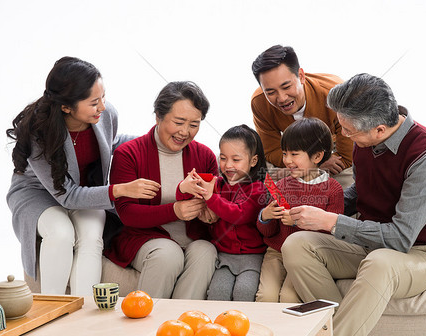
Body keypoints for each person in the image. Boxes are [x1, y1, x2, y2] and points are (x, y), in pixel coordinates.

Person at [282, 73, 426, 336]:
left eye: (348, 132)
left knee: (379, 262)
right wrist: (317, 208)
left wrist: (331, 221)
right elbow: (360, 193)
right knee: (296, 244)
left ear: (379, 129)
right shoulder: (365, 141)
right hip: (370, 242)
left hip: (423, 251)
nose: (344, 135)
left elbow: (400, 238)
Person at [6, 57, 160, 296]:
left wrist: (155, 141)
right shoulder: (41, 133)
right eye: (94, 102)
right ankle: (52, 311)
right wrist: (120, 190)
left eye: (103, 97)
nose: (102, 106)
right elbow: (66, 195)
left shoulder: (107, 115)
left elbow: (114, 142)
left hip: (86, 188)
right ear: (66, 107)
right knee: (60, 233)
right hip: (39, 193)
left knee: (91, 237)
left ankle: (83, 315)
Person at [105, 81, 218, 299]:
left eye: (194, 124)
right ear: (158, 116)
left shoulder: (205, 156)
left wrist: (211, 215)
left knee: (206, 251)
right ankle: (146, 326)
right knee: (168, 255)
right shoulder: (128, 154)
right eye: (179, 122)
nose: (185, 132)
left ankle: (180, 325)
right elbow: (127, 214)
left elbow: (218, 205)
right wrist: (174, 210)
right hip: (143, 237)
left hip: (192, 237)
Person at [256, 117, 344, 303]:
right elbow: (269, 232)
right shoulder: (281, 185)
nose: (287, 160)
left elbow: (333, 236)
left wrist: (298, 222)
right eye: (285, 153)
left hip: (308, 256)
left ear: (317, 157)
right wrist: (265, 217)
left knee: (289, 297)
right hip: (276, 252)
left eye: (294, 154)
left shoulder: (333, 190)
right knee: (266, 296)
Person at [179, 125, 268, 301]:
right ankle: (217, 328)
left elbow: (239, 214)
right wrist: (184, 187)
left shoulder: (258, 189)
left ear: (253, 161)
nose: (228, 165)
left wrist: (211, 197)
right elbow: (189, 194)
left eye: (236, 160)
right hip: (224, 256)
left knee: (244, 292)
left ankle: (242, 328)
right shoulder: (217, 183)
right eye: (223, 158)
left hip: (252, 257)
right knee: (217, 293)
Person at [250, 44, 354, 188]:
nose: (281, 98)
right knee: (253, 171)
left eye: (286, 87)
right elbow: (271, 150)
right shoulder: (259, 101)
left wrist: (315, 163)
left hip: (329, 150)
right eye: (270, 92)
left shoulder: (335, 94)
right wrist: (307, 165)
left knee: (349, 183)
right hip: (290, 152)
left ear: (301, 76)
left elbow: (347, 156)